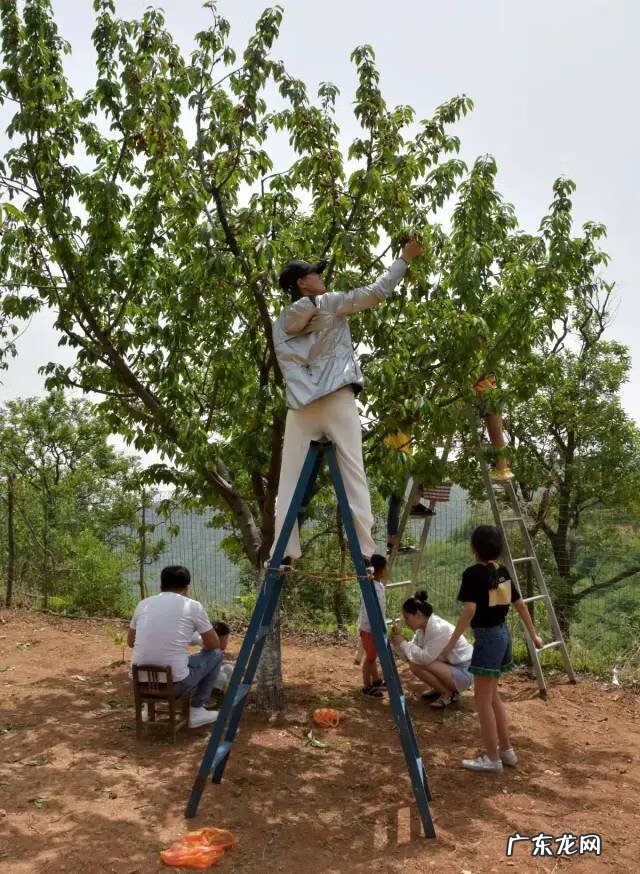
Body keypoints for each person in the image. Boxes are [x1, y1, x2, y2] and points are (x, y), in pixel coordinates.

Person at [271, 237, 424, 567]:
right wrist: (404, 259)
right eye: (314, 273)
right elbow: (376, 293)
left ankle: (283, 551)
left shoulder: (280, 324)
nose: (320, 277)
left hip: (300, 409)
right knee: (354, 474)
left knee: (288, 483)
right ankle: (366, 553)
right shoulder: (330, 302)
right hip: (337, 400)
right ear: (302, 283)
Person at [439, 525, 543, 773]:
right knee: (492, 696)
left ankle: (492, 759)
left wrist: (451, 644)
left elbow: (470, 610)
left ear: (474, 547)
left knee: (482, 700)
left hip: (488, 638)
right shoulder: (501, 572)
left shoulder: (473, 573)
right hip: (502, 635)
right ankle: (506, 752)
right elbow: (519, 605)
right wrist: (533, 634)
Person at [128, 565, 223, 729]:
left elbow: (131, 642)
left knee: (166, 660)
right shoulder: (193, 606)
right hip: (175, 685)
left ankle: (146, 708)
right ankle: (197, 710)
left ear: (161, 585)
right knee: (216, 654)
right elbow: (214, 644)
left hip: (140, 683)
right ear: (186, 588)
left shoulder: (143, 604)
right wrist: (198, 641)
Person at [390, 590, 473, 708]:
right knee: (415, 662)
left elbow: (424, 658)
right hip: (451, 668)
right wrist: (398, 644)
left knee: (419, 663)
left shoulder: (438, 628)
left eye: (407, 618)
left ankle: (448, 694)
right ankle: (441, 689)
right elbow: (410, 655)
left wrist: (403, 643)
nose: (406, 622)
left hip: (464, 673)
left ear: (418, 615)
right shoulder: (421, 630)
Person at [357, 553, 388, 698]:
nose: (387, 571)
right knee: (369, 658)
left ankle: (376, 681)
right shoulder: (370, 586)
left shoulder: (379, 585)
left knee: (373, 655)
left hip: (375, 627)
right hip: (369, 628)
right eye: (385, 568)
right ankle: (366, 686)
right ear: (380, 570)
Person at [474, 374, 512, 479]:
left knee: (496, 435)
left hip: (489, 396)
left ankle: (503, 470)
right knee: (494, 435)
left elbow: (485, 378)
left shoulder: (484, 368)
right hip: (486, 395)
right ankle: (501, 469)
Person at [211, 621, 234, 693]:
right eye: (226, 638)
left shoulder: (217, 651)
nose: (227, 641)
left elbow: (220, 662)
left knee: (228, 668)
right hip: (205, 680)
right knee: (221, 676)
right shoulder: (210, 651)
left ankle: (223, 690)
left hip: (211, 674)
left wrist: (233, 663)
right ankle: (211, 696)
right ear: (218, 638)